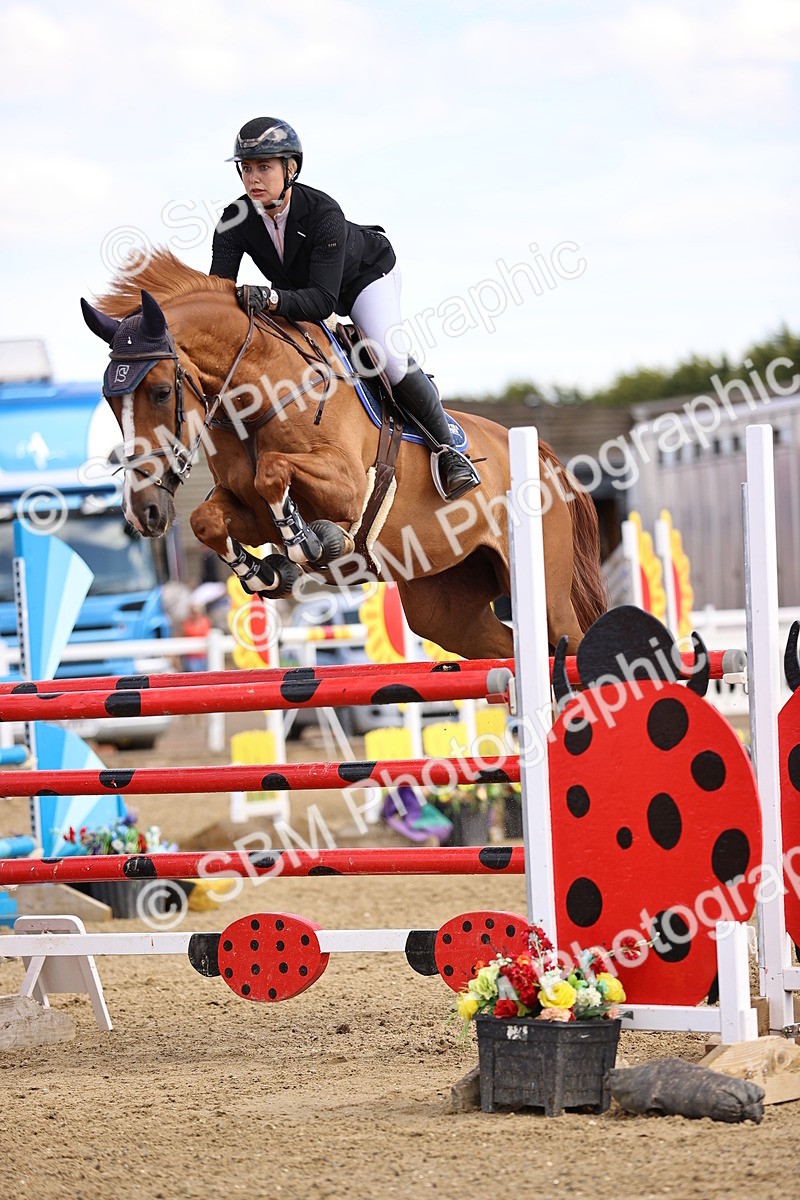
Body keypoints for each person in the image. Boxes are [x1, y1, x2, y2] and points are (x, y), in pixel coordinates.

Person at [209, 116, 480, 502]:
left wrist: (269, 299)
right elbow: (220, 290)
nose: (253, 178)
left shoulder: (323, 213)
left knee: (387, 356)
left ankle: (448, 451)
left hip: (364, 279)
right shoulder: (234, 218)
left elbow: (321, 302)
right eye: (247, 168)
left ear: (291, 169)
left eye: (264, 167)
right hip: (303, 292)